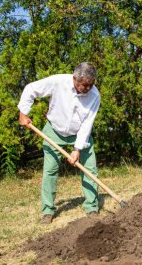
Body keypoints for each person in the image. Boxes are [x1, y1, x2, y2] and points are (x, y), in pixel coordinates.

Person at [18, 62, 101, 224]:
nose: (87, 88)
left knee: (90, 168)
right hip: (54, 130)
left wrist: (77, 149)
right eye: (84, 85)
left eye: (91, 85)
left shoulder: (94, 95)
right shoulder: (58, 82)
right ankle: (47, 211)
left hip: (80, 133)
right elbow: (30, 89)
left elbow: (87, 124)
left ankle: (91, 207)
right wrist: (23, 113)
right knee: (50, 170)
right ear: (75, 79)